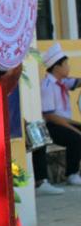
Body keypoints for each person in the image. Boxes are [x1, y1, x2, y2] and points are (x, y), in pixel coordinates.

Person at [34, 42, 81, 189]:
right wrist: (73, 127)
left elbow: (76, 82)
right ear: (56, 67)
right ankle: (72, 174)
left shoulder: (62, 82)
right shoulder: (47, 86)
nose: (68, 67)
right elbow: (50, 117)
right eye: (65, 64)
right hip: (51, 126)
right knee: (76, 137)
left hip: (63, 122)